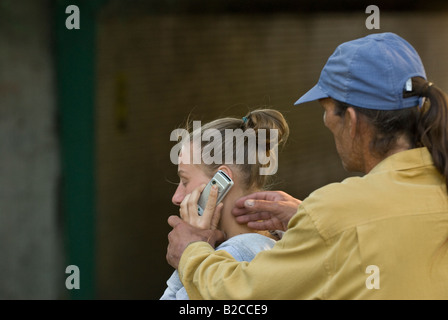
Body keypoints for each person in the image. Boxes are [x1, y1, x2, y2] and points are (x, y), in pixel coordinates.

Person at [166, 32, 448, 299]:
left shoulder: (335, 213)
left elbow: (242, 295)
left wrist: (191, 252)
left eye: (326, 112)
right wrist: (310, 220)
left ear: (351, 121)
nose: (326, 123)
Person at [160, 109, 290, 299]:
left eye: (185, 181)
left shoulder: (234, 256)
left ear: (219, 183)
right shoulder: (283, 241)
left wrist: (189, 254)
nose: (176, 197)